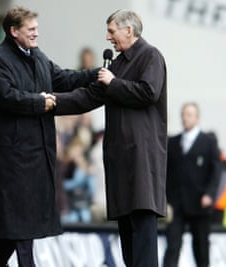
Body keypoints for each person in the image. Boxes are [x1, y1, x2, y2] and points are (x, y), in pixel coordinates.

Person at [0, 6, 99, 266]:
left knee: (16, 230)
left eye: (36, 28)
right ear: (14, 31)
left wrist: (96, 74)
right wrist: (38, 103)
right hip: (11, 160)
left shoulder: (37, 55)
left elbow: (64, 78)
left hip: (34, 157)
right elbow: (6, 97)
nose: (37, 33)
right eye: (31, 29)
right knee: (20, 227)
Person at [55, 9, 167, 267]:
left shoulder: (150, 56)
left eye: (112, 31)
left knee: (142, 230)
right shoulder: (116, 64)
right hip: (120, 159)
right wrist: (50, 102)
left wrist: (113, 82)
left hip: (141, 158)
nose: (108, 38)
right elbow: (88, 96)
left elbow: (149, 92)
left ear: (129, 30)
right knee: (128, 234)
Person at [163, 102, 222, 267]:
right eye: (183, 114)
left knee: (201, 247)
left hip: (199, 204)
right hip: (177, 205)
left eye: (189, 115)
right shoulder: (173, 143)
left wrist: (210, 194)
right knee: (172, 245)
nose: (185, 118)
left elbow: (216, 170)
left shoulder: (208, 142)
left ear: (197, 117)